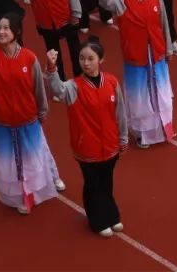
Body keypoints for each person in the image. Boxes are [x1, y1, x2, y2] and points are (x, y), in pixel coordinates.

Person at [0, 10, 65, 213]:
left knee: (37, 153)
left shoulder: (29, 58)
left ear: (16, 31)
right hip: (3, 122)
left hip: (28, 119)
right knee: (10, 162)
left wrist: (42, 111)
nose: (1, 32)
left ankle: (51, 178)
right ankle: (20, 196)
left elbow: (38, 88)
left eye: (6, 28)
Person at [46, 39, 129, 237]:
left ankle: (111, 215)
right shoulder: (74, 87)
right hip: (87, 148)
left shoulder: (111, 82)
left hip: (110, 146)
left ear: (101, 60)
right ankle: (97, 220)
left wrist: (123, 137)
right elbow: (58, 89)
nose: (86, 63)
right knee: (93, 185)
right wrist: (52, 68)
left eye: (91, 58)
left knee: (106, 182)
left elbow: (120, 112)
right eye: (82, 58)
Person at [97, 0, 175, 149]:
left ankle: (164, 128)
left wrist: (168, 48)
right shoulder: (121, 1)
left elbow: (163, 23)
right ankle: (143, 134)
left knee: (161, 94)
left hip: (156, 54)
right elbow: (105, 1)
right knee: (140, 98)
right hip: (135, 58)